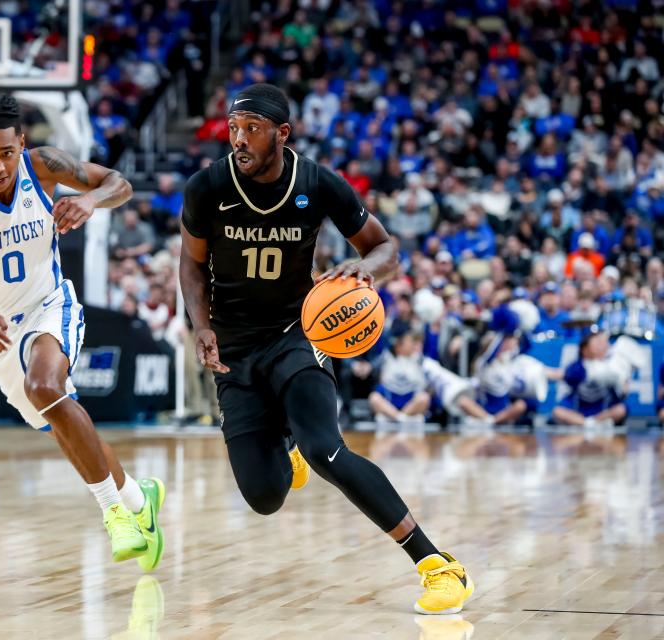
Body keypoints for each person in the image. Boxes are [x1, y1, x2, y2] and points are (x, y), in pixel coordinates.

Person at [178, 84, 473, 615]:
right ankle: (285, 442)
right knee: (264, 498)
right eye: (234, 128)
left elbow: (387, 249)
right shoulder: (207, 187)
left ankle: (437, 565)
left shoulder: (316, 183)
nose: (239, 140)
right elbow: (191, 263)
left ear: (281, 133)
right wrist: (200, 324)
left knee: (327, 451)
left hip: (297, 334)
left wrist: (367, 268)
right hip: (234, 349)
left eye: (251, 129)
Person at [0, 95, 164, 570]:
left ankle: (114, 515)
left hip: (50, 305)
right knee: (65, 424)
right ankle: (136, 498)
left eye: (6, 153)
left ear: (21, 143)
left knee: (45, 386)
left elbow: (119, 183)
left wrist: (88, 200)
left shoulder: (43, 165)